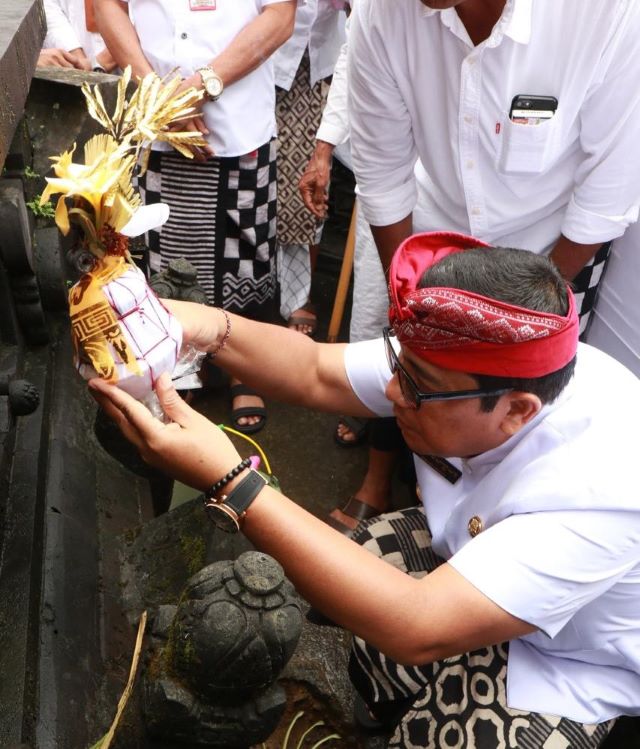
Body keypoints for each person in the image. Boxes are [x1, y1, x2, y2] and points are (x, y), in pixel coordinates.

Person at [91, 233, 640, 748]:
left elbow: (418, 625)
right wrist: (203, 326)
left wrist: (234, 483)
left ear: (516, 411)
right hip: (469, 549)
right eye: (400, 364)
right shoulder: (477, 361)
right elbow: (315, 371)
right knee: (339, 568)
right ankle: (376, 703)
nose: (394, 391)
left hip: (571, 657)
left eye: (419, 389)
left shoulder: (600, 491)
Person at [302, 0, 640, 530]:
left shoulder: (606, 12)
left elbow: (606, 194)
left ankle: (490, 531)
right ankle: (398, 493)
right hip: (432, 235)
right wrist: (414, 304)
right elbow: (385, 175)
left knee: (516, 416)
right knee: (413, 375)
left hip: (554, 259)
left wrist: (516, 323)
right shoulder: (381, 12)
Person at [96, 0, 297, 435]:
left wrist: (201, 85)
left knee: (245, 248)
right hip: (155, 116)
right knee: (161, 245)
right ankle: (176, 367)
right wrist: (160, 95)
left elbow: (280, 15)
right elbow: (107, 6)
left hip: (238, 116)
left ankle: (246, 371)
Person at [273, 0, 346, 337]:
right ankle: (245, 295)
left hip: (310, 64)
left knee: (301, 188)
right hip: (243, 51)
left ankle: (298, 296)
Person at [39, 0, 117, 72]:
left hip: (122, 66)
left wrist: (102, 62)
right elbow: (49, 7)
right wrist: (75, 58)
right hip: (68, 66)